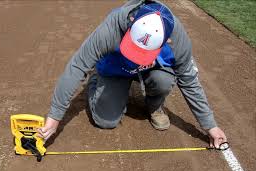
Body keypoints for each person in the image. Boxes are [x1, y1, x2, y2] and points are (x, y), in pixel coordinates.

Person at [37, 0, 227, 148]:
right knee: (106, 121)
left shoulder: (178, 40)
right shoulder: (110, 29)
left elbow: (189, 81)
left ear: (166, 40)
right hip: (115, 68)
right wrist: (54, 119)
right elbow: (77, 67)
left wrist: (210, 125)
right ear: (130, 23)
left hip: (151, 68)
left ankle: (154, 106)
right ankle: (97, 79)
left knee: (164, 80)